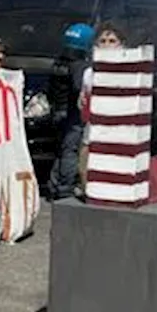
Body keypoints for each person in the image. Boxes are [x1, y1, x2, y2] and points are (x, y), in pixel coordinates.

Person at [46, 23, 96, 200]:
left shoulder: (59, 63)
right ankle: (65, 188)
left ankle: (54, 186)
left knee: (61, 150)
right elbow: (78, 88)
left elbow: (50, 89)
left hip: (58, 111)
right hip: (72, 114)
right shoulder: (79, 66)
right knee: (70, 151)